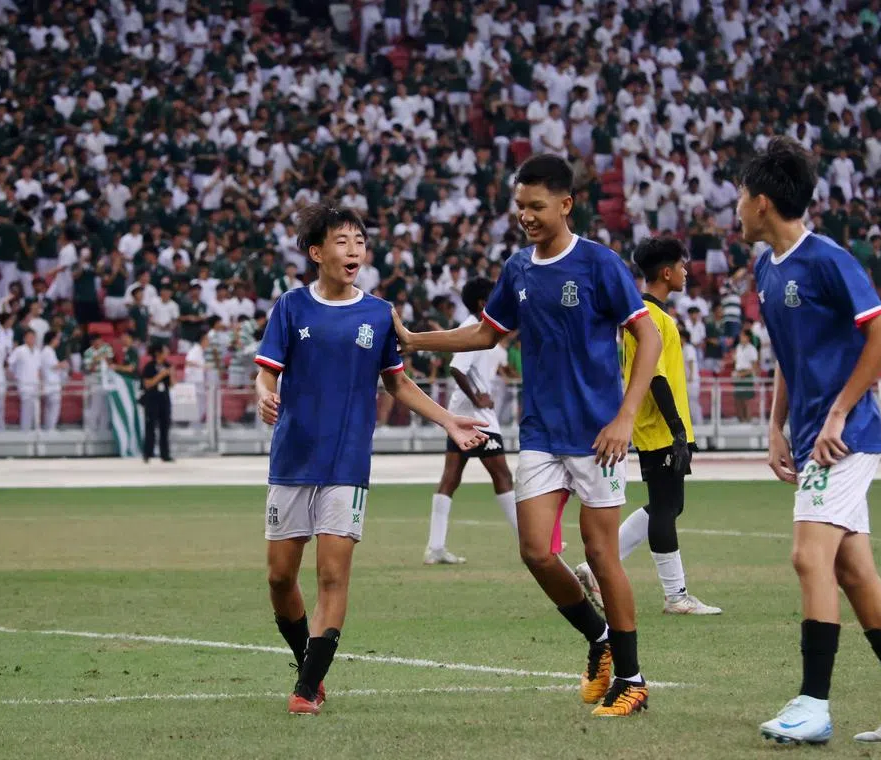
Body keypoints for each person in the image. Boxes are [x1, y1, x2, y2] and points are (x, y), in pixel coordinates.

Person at [392, 155, 662, 718]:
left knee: (601, 554)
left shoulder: (600, 264)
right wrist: (416, 340)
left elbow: (647, 339)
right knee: (536, 551)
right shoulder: (518, 269)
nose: (526, 217)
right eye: (520, 207)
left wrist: (624, 418)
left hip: (598, 437)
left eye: (536, 206)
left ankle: (633, 683)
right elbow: (486, 335)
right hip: (539, 431)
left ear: (565, 204)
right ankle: (600, 640)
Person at [740, 138, 881, 745]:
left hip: (844, 438)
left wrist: (835, 415)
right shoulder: (766, 268)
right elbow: (788, 353)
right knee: (855, 571)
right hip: (809, 437)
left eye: (742, 198)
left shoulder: (827, 259)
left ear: (764, 201)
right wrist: (775, 426)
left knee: (810, 557)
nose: (738, 210)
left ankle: (813, 704)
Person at [254, 204, 486, 716]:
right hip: (291, 459)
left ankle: (306, 688)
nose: (354, 248)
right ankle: (306, 663)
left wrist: (449, 420)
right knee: (278, 577)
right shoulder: (291, 307)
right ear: (316, 253)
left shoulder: (379, 313)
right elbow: (267, 373)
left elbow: (398, 383)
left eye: (359, 239)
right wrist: (262, 392)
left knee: (332, 576)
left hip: (347, 463)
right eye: (342, 240)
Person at [573, 237, 721, 616]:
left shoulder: (649, 315)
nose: (687, 272)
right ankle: (676, 596)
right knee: (666, 509)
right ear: (667, 272)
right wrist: (675, 432)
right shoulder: (650, 317)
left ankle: (594, 568)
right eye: (682, 266)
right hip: (658, 429)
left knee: (666, 505)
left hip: (661, 428)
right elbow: (655, 378)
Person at [424, 277, 517, 565]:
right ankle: (532, 543)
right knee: (502, 476)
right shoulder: (473, 330)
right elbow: (456, 368)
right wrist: (478, 398)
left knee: (450, 479)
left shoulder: (482, 329)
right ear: (483, 303)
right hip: (476, 418)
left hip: (459, 414)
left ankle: (435, 547)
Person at [141, 342, 173, 462]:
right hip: (152, 399)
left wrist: (172, 373)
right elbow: (147, 384)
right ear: (158, 353)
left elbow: (172, 384)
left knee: (165, 427)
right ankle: (147, 453)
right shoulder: (149, 367)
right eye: (164, 351)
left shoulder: (167, 365)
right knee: (150, 427)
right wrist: (161, 375)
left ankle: (165, 454)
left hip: (164, 398)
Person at [8, 330, 41, 432]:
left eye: (33, 337)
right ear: (25, 338)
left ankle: (36, 430)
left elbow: (38, 368)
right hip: (24, 384)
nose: (31, 339)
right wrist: (14, 376)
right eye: (29, 337)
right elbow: (9, 363)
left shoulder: (37, 351)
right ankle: (25, 431)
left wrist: (40, 382)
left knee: (36, 409)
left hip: (35, 384)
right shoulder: (19, 350)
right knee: (26, 409)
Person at [39, 331, 66, 431]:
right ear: (52, 339)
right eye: (57, 339)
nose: (58, 341)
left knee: (49, 408)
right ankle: (50, 428)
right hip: (51, 384)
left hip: (51, 383)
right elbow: (54, 366)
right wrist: (63, 364)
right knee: (53, 408)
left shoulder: (49, 351)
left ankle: (49, 427)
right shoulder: (47, 351)